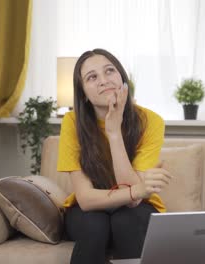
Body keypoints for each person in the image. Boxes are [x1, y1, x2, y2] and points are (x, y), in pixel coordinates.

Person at [57, 48, 173, 264]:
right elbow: (85, 199)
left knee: (126, 220)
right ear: (83, 92)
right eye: (92, 77)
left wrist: (114, 133)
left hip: (137, 209)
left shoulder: (151, 121)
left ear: (122, 78)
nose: (103, 80)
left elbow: (134, 202)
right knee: (95, 224)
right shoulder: (72, 122)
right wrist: (137, 190)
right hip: (88, 211)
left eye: (109, 71)